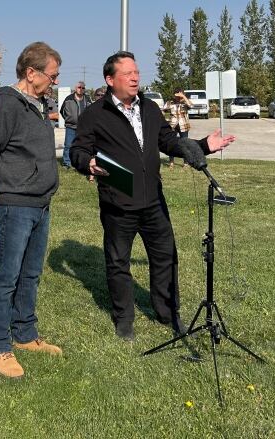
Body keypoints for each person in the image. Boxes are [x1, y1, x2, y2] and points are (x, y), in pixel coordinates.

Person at [70, 51, 235, 342]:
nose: (135, 78)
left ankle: (168, 312)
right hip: (118, 201)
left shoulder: (148, 107)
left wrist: (202, 146)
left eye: (137, 72)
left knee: (165, 258)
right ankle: (124, 320)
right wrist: (89, 163)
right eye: (128, 74)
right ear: (110, 79)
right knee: (118, 262)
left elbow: (168, 141)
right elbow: (78, 151)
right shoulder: (94, 114)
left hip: (153, 200)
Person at [0, 42, 63, 379]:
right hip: (15, 205)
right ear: (31, 72)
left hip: (40, 204)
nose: (54, 81)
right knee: (5, 277)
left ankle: (24, 335)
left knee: (30, 274)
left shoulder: (38, 105)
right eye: (51, 76)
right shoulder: (7, 104)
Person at [60, 81, 92, 169]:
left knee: (82, 146)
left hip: (83, 127)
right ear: (75, 88)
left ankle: (80, 162)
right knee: (68, 145)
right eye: (79, 87)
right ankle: (67, 163)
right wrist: (69, 119)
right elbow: (62, 111)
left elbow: (91, 112)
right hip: (71, 126)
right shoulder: (68, 98)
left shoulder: (87, 99)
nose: (81, 89)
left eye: (83, 88)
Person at [162, 87, 194, 168]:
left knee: (185, 144)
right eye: (176, 95)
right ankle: (171, 162)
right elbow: (163, 110)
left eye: (180, 95)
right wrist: (164, 120)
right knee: (171, 143)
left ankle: (186, 163)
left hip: (183, 126)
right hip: (173, 126)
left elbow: (191, 106)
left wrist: (183, 97)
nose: (178, 97)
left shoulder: (185, 102)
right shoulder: (170, 102)